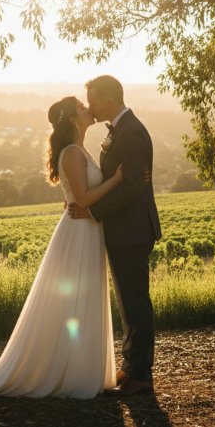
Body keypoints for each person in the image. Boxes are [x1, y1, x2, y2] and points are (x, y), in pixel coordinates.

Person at [0, 96, 120, 401]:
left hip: (87, 230)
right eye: (82, 108)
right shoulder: (73, 153)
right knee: (72, 300)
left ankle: (78, 369)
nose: (89, 109)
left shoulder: (80, 150)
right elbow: (84, 199)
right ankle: (67, 372)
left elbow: (79, 196)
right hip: (78, 232)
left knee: (81, 299)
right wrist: (117, 180)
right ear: (73, 119)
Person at [69, 75, 162, 396]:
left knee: (135, 303)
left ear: (109, 100)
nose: (90, 106)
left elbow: (135, 186)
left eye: (92, 100)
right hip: (123, 228)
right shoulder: (121, 129)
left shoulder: (132, 132)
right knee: (127, 302)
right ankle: (130, 366)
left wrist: (94, 211)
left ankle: (141, 376)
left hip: (132, 229)